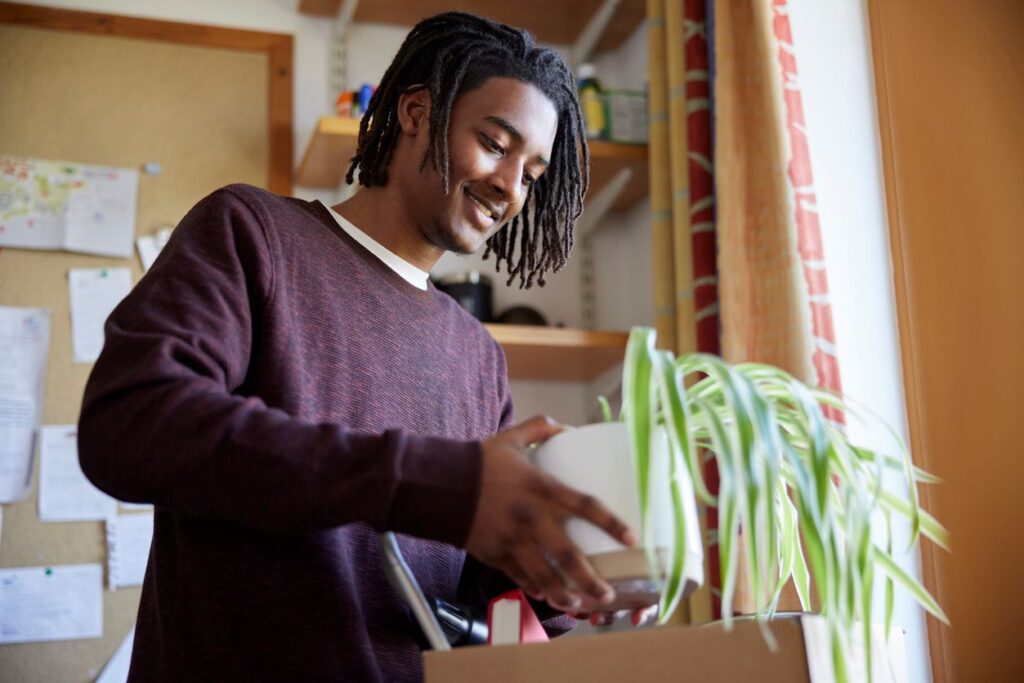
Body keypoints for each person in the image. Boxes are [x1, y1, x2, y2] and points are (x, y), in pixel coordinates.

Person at [79, 12, 639, 682]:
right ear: (415, 112)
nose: (510, 188)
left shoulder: (477, 354)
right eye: (495, 143)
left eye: (534, 173)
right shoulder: (253, 234)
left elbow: (480, 601)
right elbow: (130, 421)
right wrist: (436, 482)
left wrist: (572, 572)